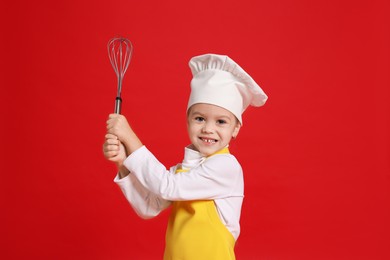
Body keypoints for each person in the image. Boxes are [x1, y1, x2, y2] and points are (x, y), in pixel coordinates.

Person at [103, 54, 268, 259]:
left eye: (221, 122)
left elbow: (167, 185)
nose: (208, 129)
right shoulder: (184, 171)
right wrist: (123, 162)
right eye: (199, 118)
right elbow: (149, 206)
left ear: (236, 129)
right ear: (187, 120)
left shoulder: (226, 167)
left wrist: (130, 138)